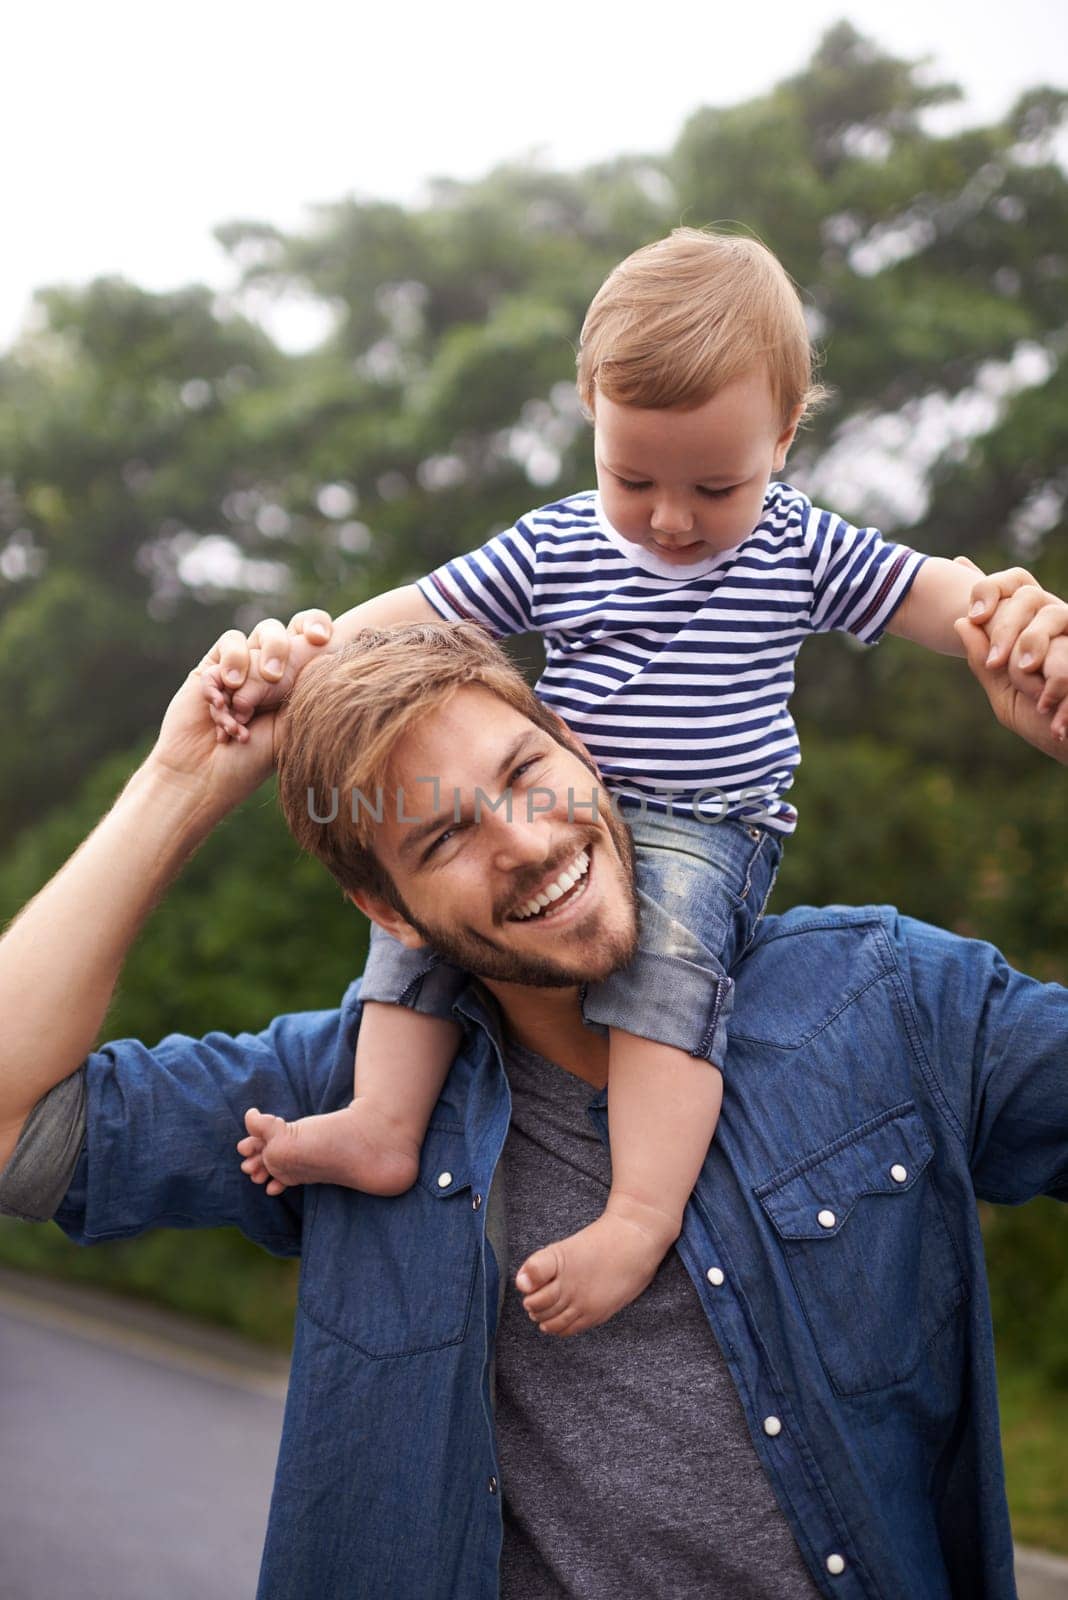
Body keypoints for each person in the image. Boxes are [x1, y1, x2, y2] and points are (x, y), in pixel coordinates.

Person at [1, 598, 1067, 1599]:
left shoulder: (889, 1001)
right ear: (388, 911)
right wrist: (182, 779)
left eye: (526, 772)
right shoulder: (342, 1100)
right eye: (443, 837)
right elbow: (14, 1130)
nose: (526, 839)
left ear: (580, 745)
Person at [204, 228, 1068, 1340]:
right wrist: (292, 653)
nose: (670, 518)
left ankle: (639, 1212)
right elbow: (414, 610)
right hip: (569, 806)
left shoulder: (798, 546)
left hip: (710, 825)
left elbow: (943, 599)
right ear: (590, 416)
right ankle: (381, 1119)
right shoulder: (557, 542)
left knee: (669, 966)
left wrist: (1023, 633)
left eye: (717, 483)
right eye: (633, 477)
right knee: (417, 918)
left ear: (785, 436)